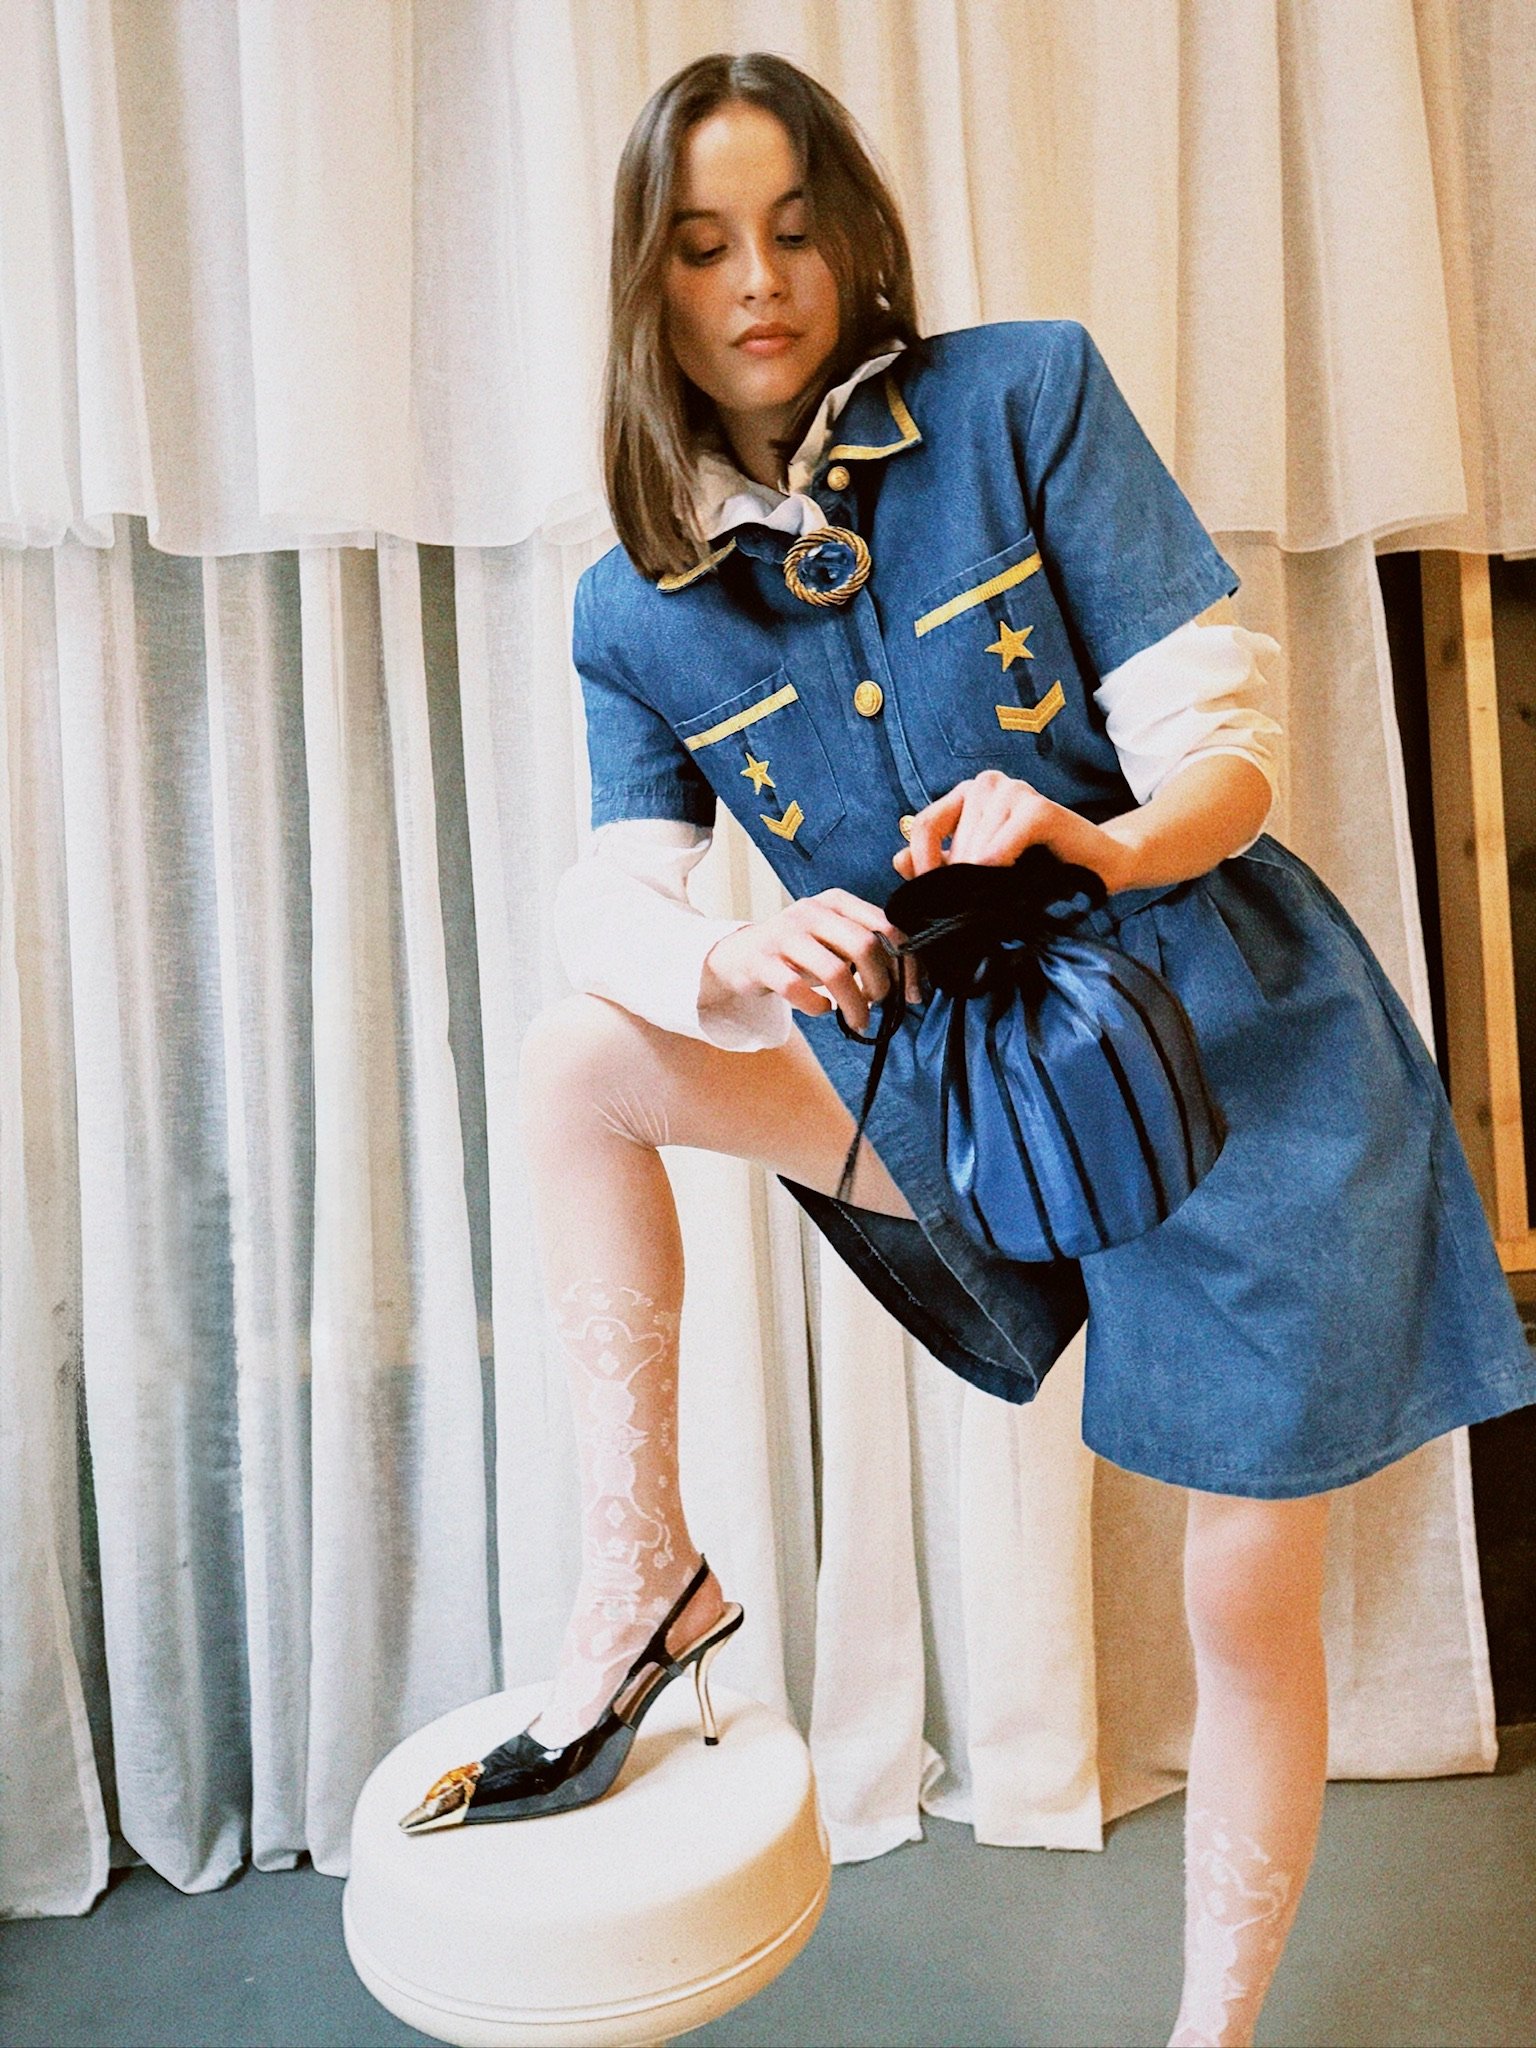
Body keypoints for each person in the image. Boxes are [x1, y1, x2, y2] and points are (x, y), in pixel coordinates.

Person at [401, 50, 1536, 2048]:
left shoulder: (1027, 397)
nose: (759, 281)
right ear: (650, 287)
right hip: (961, 1088)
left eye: (791, 228)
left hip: (1231, 1069)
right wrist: (734, 954)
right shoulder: (632, 608)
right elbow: (608, 902)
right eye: (703, 247)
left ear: (849, 235)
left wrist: (1094, 836)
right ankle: (643, 1578)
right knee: (580, 1061)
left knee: (1240, 1591)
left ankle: (1210, 2032)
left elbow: (1225, 757)